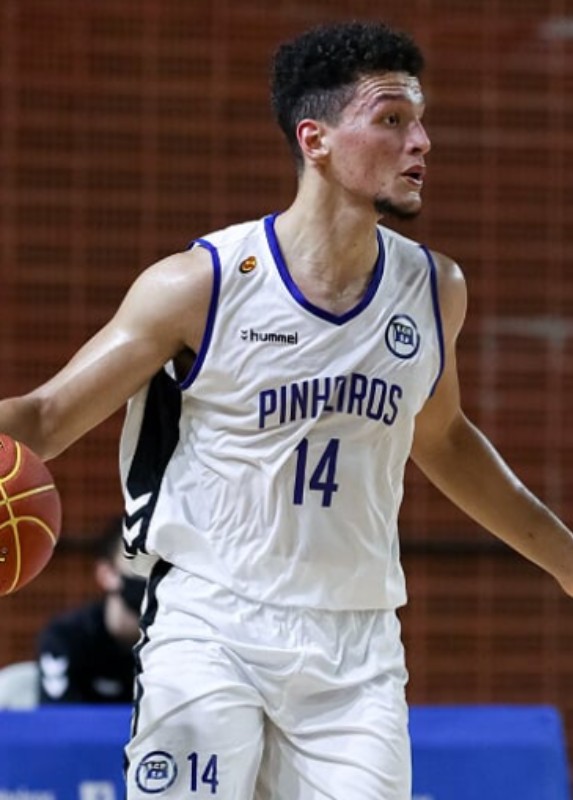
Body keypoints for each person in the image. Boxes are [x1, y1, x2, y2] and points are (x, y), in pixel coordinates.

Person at [1, 18, 572, 800]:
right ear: (316, 140)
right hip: (211, 622)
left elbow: (441, 438)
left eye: (419, 120)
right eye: (392, 119)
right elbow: (45, 418)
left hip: (355, 644)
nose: (420, 142)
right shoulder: (200, 284)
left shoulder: (434, 290)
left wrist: (564, 559)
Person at [36, 519, 146, 704]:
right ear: (106, 574)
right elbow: (56, 717)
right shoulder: (65, 637)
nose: (149, 575)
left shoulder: (176, 641)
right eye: (139, 562)